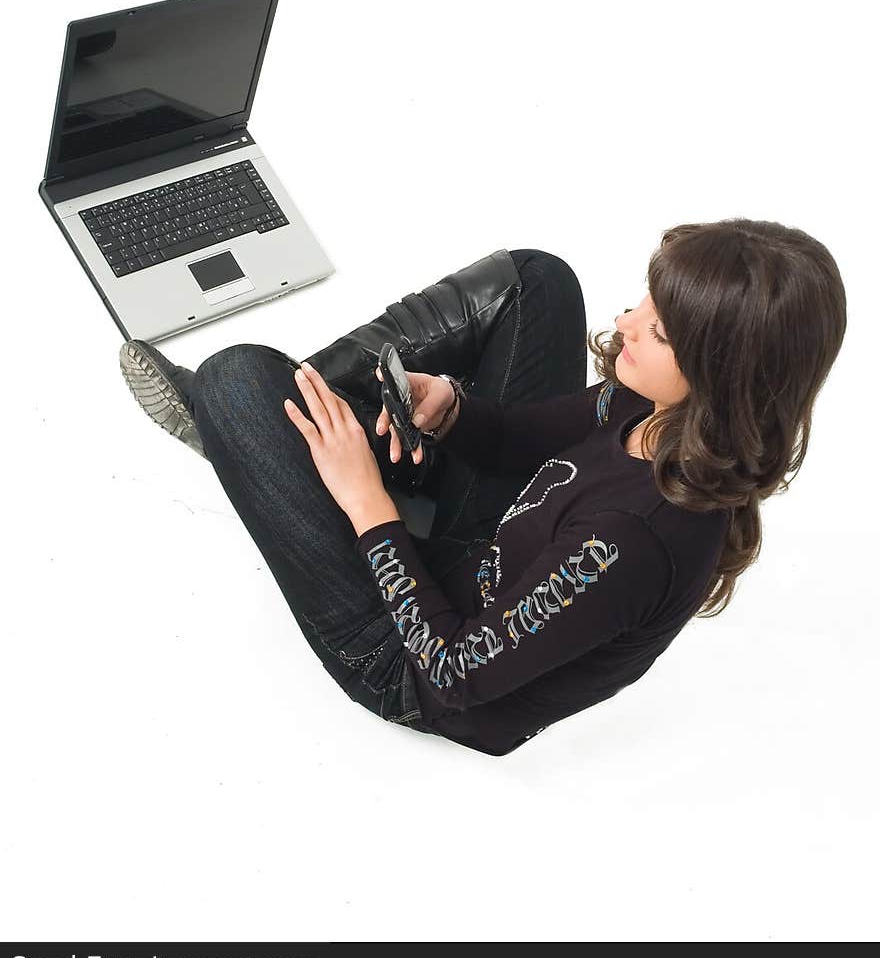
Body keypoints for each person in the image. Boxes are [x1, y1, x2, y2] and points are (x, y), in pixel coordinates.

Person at [119, 222, 847, 757]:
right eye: (640, 305)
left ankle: (246, 431)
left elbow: (456, 672)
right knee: (539, 278)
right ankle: (290, 430)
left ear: (719, 375)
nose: (623, 324)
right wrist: (452, 408)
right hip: (489, 555)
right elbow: (522, 439)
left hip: (414, 663)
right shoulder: (655, 411)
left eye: (654, 332)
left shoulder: (635, 540)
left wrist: (367, 502)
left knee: (234, 377)